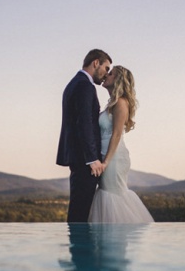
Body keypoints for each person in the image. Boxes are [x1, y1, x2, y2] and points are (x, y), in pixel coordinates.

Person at [88, 66, 154, 223]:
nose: (106, 76)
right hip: (106, 156)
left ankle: (116, 240)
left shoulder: (121, 103)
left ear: (118, 80)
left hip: (114, 158)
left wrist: (106, 162)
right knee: (106, 194)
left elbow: (117, 134)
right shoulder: (111, 104)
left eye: (110, 74)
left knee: (112, 195)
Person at [57, 49, 112, 223]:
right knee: (80, 211)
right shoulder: (84, 85)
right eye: (106, 68)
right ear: (96, 63)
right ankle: (80, 250)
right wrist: (91, 158)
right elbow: (84, 123)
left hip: (78, 157)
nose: (106, 74)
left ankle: (79, 248)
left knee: (78, 209)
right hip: (84, 160)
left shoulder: (76, 82)